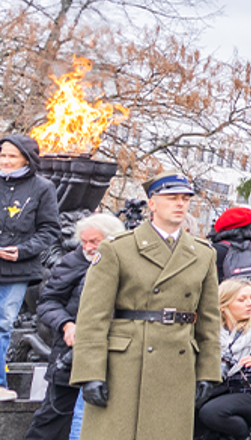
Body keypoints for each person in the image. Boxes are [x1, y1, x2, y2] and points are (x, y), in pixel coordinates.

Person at [71, 174, 222, 440]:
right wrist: (90, 372)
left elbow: (209, 319)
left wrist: (208, 371)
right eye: (172, 198)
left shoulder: (203, 253)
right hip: (125, 365)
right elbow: (93, 317)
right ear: (152, 204)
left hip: (177, 364)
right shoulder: (117, 249)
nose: (180, 204)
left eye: (185, 199)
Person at [24, 213, 123, 440]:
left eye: (94, 242)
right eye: (84, 241)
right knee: (52, 417)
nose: (87, 247)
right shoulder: (73, 261)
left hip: (112, 351)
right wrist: (66, 324)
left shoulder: (125, 264)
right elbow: (47, 302)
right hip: (70, 351)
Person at [0, 134, 62, 402]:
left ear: (26, 158)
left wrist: (22, 250)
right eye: (2, 155)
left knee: (3, 323)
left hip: (18, 269)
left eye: (11, 156)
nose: (5, 160)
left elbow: (50, 230)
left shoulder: (42, 188)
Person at [195, 279, 251, 440]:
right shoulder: (212, 330)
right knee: (194, 411)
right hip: (220, 390)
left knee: (211, 413)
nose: (250, 304)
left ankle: (248, 436)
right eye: (242, 300)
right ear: (223, 305)